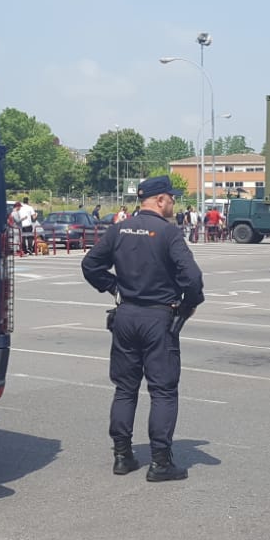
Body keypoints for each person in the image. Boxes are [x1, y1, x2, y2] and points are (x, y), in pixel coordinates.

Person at [81, 175, 205, 482]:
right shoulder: (167, 232)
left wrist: (114, 287)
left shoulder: (119, 229)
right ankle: (160, 462)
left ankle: (122, 456)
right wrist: (190, 304)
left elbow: (90, 266)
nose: (174, 203)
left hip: (125, 316)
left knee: (125, 389)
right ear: (160, 199)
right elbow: (193, 278)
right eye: (172, 198)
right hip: (158, 318)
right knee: (163, 391)